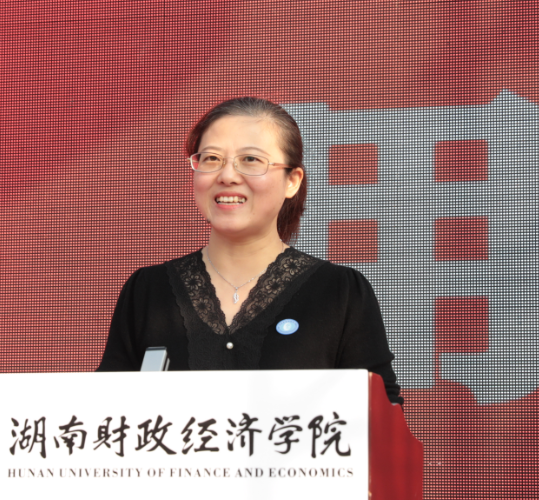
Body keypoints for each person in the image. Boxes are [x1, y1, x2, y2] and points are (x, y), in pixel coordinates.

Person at [97, 97, 402, 405]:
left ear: (292, 181)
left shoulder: (339, 292)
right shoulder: (148, 291)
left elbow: (381, 415)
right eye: (211, 158)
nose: (227, 176)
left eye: (251, 160)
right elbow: (102, 411)